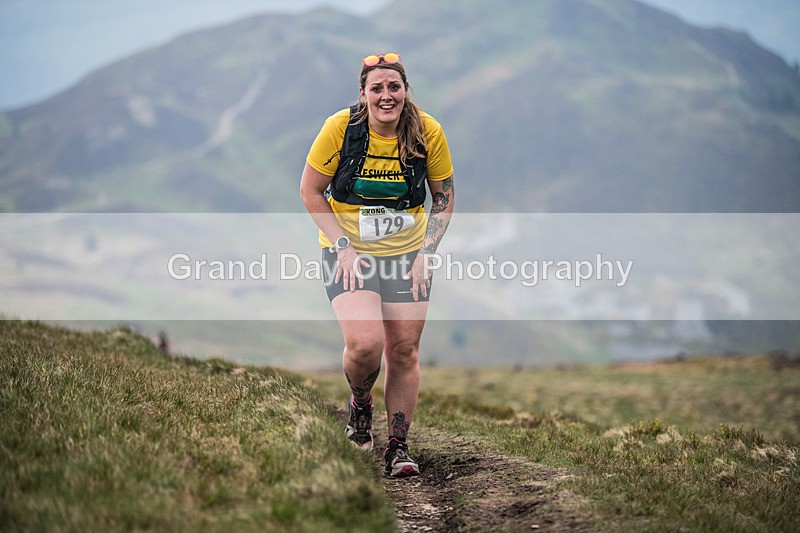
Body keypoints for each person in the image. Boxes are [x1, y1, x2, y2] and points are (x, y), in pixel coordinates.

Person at [300, 52, 455, 478]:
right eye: (377, 89)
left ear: (405, 90)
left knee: (403, 350)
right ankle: (361, 406)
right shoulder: (341, 128)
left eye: (394, 87)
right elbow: (311, 191)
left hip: (408, 255)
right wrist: (344, 246)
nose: (386, 96)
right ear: (364, 94)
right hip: (348, 249)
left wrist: (428, 254)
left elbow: (442, 199)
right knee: (366, 345)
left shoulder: (427, 132)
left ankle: (399, 448)